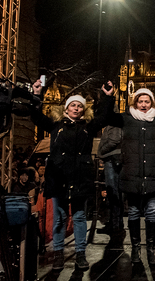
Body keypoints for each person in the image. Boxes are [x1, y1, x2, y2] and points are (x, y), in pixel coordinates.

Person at [30, 79, 113, 270]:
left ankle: (81, 254)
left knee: (79, 216)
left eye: (79, 106)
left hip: (80, 177)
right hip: (58, 176)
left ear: (83, 110)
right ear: (66, 109)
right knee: (59, 217)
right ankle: (58, 253)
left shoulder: (88, 127)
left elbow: (104, 116)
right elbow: (35, 116)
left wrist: (107, 98)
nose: (76, 108)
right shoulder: (55, 126)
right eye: (73, 105)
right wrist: (36, 95)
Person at [102, 81, 155, 266]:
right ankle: (136, 249)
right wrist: (108, 97)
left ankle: (151, 249)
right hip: (132, 173)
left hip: (152, 173)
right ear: (135, 103)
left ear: (152, 103)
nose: (144, 104)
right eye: (141, 101)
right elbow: (106, 116)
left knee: (151, 212)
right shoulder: (127, 118)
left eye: (147, 101)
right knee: (132, 212)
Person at [97, 123, 124, 236]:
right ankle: (115, 223)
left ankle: (115, 224)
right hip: (113, 158)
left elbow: (114, 140)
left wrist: (101, 151)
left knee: (113, 192)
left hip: (112, 159)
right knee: (114, 192)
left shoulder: (114, 123)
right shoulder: (112, 123)